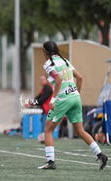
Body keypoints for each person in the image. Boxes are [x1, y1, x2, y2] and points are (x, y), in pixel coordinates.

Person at [38, 40, 108, 170]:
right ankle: (100, 154)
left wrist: (53, 100)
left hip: (62, 99)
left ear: (45, 52)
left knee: (48, 130)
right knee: (80, 130)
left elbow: (58, 79)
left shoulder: (48, 64)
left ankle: (51, 162)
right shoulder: (65, 61)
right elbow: (80, 77)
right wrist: (76, 93)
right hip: (75, 97)